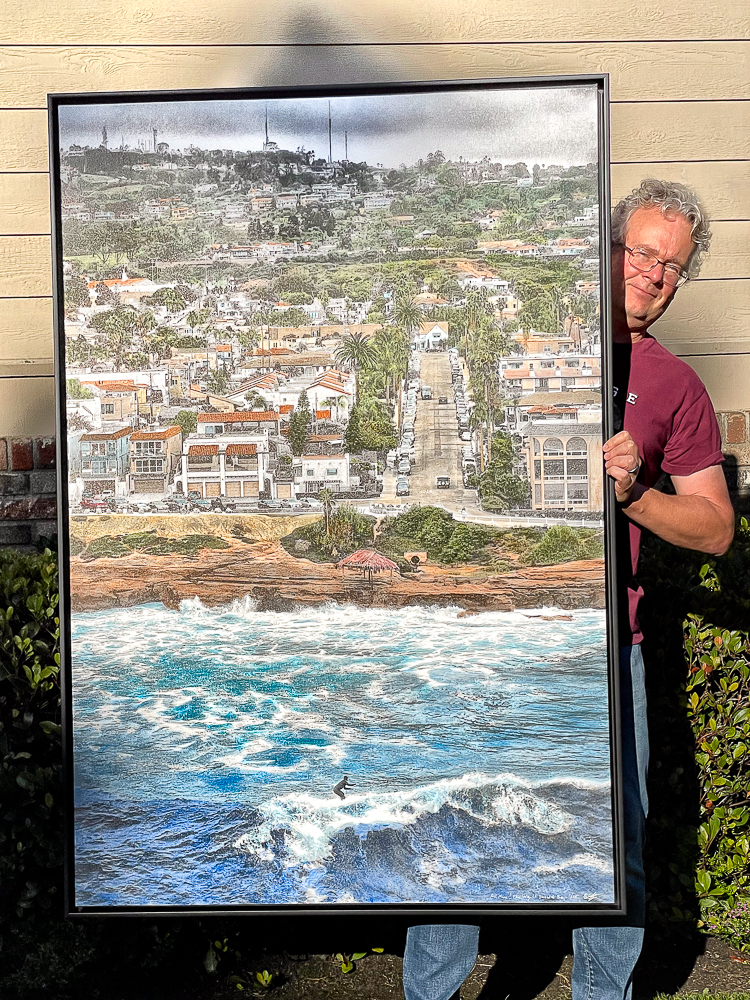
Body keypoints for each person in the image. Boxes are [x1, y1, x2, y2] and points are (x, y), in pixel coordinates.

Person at [402, 179, 735, 1000]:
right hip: (488, 637)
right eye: (644, 253)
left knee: (612, 843)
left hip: (603, 652)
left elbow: (717, 528)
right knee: (455, 823)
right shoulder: (524, 341)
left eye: (674, 268)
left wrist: (636, 497)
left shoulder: (676, 385)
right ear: (609, 246)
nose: (655, 276)